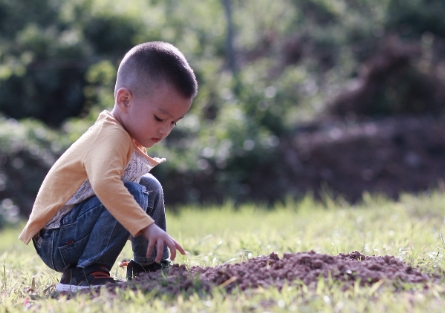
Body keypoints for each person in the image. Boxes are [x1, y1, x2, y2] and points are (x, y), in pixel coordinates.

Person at [18, 41, 198, 292]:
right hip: (56, 239)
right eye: (159, 118)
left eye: (173, 123)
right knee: (134, 192)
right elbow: (105, 185)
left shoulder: (122, 134)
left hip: (70, 231)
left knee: (149, 185)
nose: (164, 130)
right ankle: (83, 274)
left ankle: (148, 267)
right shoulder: (111, 136)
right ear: (124, 99)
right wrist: (147, 226)